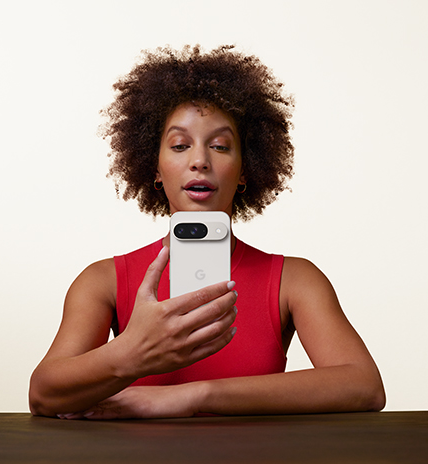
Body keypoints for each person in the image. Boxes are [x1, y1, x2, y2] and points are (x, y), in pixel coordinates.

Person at [29, 45, 385, 419]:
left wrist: (192, 396)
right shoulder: (103, 281)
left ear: (245, 170)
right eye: (180, 145)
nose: (199, 160)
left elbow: (364, 386)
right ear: (155, 167)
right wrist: (132, 352)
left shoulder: (294, 280)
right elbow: (43, 397)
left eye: (219, 146)